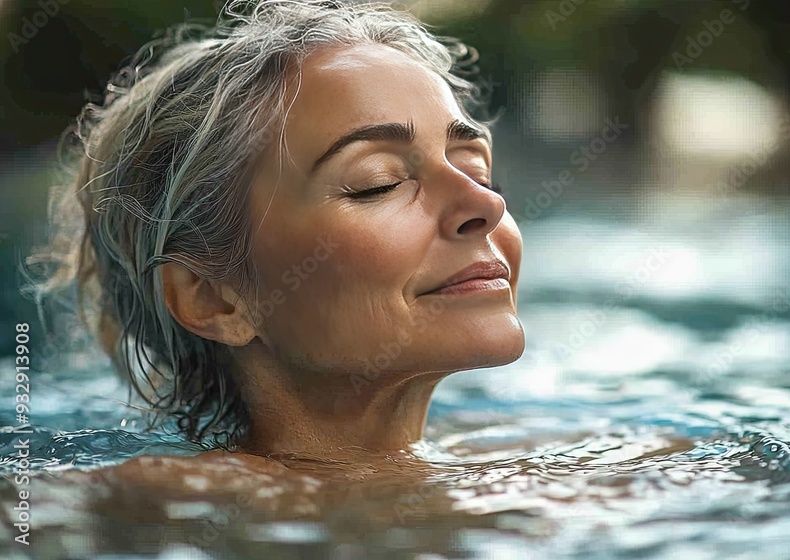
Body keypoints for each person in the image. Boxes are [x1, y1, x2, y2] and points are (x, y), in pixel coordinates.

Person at [27, 0, 524, 479]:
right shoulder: (164, 496)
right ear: (215, 297)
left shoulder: (506, 455)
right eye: (379, 182)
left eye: (476, 171)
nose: (486, 204)